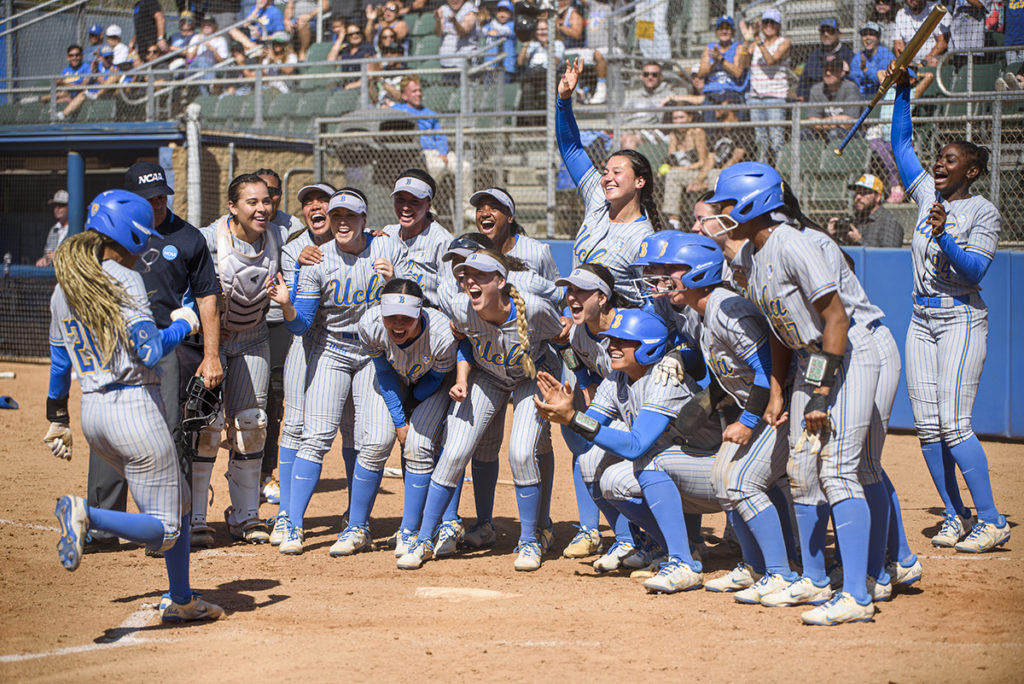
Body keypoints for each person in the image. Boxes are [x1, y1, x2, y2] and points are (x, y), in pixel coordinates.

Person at [709, 161, 880, 625]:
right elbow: (781, 330)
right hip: (809, 359)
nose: (723, 212)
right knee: (802, 469)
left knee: (839, 471)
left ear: (754, 202)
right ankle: (816, 579)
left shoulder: (793, 243)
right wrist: (781, 392)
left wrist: (822, 390)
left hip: (847, 355)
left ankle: (859, 595)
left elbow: (837, 319)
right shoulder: (755, 254)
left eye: (728, 203)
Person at [45, 189, 222, 622]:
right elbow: (147, 350)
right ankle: (88, 514)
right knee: (167, 528)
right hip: (133, 409)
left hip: (93, 413)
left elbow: (59, 362)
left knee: (178, 502)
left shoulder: (64, 286)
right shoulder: (124, 279)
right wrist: (182, 324)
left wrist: (56, 417)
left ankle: (181, 599)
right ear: (133, 235)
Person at [889, 63, 1009, 553]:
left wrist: (943, 235)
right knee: (927, 424)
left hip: (960, 314)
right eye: (939, 157)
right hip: (921, 318)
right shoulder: (924, 197)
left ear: (972, 170)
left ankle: (992, 518)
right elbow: (900, 147)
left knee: (955, 422)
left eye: (951, 159)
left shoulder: (982, 211)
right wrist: (902, 91)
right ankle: (955, 515)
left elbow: (974, 272)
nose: (940, 164)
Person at [652, 233, 798, 603]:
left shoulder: (724, 308)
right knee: (722, 477)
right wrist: (710, 400)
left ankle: (780, 572)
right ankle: (754, 566)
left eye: (675, 271)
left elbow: (768, 372)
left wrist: (747, 422)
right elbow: (730, 373)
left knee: (741, 483)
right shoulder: (701, 313)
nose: (667, 278)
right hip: (759, 407)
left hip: (783, 409)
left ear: (699, 273)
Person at [396, 250, 564, 572]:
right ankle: (425, 538)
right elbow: (461, 342)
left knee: (520, 453)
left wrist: (565, 385)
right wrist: (460, 377)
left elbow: (561, 339)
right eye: (466, 274)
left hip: (532, 377)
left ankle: (529, 539)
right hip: (487, 375)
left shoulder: (536, 309)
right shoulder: (461, 307)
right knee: (455, 450)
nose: (470, 280)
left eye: (480, 275)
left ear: (500, 281)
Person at [534, 307, 721, 593]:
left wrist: (573, 418)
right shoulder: (615, 380)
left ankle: (684, 562)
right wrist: (565, 416)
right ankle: (670, 547)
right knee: (602, 472)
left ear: (648, 347)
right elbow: (584, 441)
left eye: (623, 341)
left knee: (648, 462)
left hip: (716, 477)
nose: (612, 346)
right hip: (677, 470)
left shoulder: (665, 379)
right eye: (611, 340)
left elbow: (635, 446)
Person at [272, 188, 408, 556]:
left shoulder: (387, 250)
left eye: (351, 217)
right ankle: (294, 525)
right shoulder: (316, 259)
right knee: (315, 436)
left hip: (374, 352)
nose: (343, 223)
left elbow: (414, 306)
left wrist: (394, 282)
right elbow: (301, 326)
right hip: (331, 349)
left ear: (365, 220)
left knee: (377, 441)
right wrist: (286, 305)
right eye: (337, 217)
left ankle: (357, 527)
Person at [191, 173, 282, 547]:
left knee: (252, 424)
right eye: (252, 202)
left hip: (253, 338)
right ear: (233, 207)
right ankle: (195, 515)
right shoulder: (208, 239)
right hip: (211, 340)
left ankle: (245, 515)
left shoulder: (280, 238)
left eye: (267, 201)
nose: (262, 209)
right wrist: (205, 332)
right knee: (206, 427)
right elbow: (187, 291)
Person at [347, 278, 457, 557]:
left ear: (419, 313)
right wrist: (399, 419)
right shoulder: (370, 325)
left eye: (406, 318)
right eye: (391, 317)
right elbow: (384, 373)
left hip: (430, 388)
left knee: (419, 446)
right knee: (375, 442)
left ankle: (410, 532)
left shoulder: (442, 334)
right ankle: (356, 528)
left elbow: (434, 380)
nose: (398, 324)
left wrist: (412, 407)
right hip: (394, 381)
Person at [267, 181, 337, 546]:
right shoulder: (294, 248)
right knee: (294, 424)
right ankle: (286, 516)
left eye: (322, 199)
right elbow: (299, 309)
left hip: (347, 346)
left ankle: (355, 516)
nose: (315, 206)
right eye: (308, 202)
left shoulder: (357, 239)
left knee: (355, 432)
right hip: (304, 343)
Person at [556, 57, 659, 307]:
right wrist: (564, 101)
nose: (608, 178)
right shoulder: (597, 198)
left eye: (617, 172)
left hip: (617, 336)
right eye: (605, 171)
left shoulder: (644, 238)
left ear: (639, 182)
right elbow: (571, 149)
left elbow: (653, 305)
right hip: (580, 325)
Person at [550, 263, 635, 563]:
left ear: (602, 297)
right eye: (569, 290)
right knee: (583, 450)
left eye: (581, 290)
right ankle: (622, 538)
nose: (571, 297)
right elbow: (576, 360)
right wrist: (585, 384)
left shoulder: (629, 326)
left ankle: (645, 537)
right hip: (611, 403)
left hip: (642, 410)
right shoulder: (578, 333)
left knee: (609, 464)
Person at [389, 76, 471, 206]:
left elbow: (440, 136)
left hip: (441, 152)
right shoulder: (398, 110)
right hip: (422, 152)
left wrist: (443, 152)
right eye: (414, 91)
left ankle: (466, 208)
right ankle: (427, 205)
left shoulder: (429, 113)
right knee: (438, 166)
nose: (419, 94)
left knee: (465, 167)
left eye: (420, 90)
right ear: (405, 96)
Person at [382, 169, 454, 304]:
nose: (405, 207)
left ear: (428, 205)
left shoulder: (442, 241)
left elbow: (450, 296)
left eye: (414, 201)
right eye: (400, 200)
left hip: (428, 315)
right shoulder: (388, 233)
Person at [741, 9, 790, 165]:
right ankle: (762, 168)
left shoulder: (783, 42)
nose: (769, 26)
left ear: (778, 25)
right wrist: (748, 42)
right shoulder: (756, 44)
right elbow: (743, 65)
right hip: (756, 97)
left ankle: (779, 169)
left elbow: (771, 61)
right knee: (760, 139)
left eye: (772, 23)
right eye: (766, 22)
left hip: (775, 96)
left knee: (776, 139)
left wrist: (758, 40)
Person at [660, 106, 710, 229]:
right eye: (675, 118)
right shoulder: (673, 135)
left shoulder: (697, 132)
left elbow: (702, 162)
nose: (678, 121)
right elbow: (671, 159)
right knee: (665, 176)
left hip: (698, 173)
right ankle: (669, 221)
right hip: (680, 173)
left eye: (681, 117)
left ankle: (674, 221)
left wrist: (678, 170)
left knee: (673, 175)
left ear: (690, 118)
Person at [554, 0, 609, 104]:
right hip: (579, 49)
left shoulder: (573, 14)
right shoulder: (593, 4)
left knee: (576, 56)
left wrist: (560, 27)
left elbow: (577, 34)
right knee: (567, 57)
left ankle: (595, 89)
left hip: (602, 47)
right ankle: (578, 90)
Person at [697, 16, 750, 123]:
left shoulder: (738, 47)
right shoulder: (709, 48)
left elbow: (738, 72)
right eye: (721, 28)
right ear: (716, 32)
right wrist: (714, 64)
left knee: (730, 117)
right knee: (710, 121)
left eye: (727, 28)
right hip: (712, 94)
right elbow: (701, 73)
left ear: (733, 32)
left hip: (731, 93)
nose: (724, 31)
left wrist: (721, 59)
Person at [828, 174, 904, 247]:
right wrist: (832, 236)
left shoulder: (889, 223)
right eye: (857, 192)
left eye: (864, 193)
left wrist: (859, 240)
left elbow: (889, 257)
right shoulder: (855, 221)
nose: (858, 197)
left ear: (878, 197)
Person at [56, 46, 121, 121]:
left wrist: (98, 75)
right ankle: (63, 115)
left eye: (111, 57)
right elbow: (90, 80)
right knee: (81, 95)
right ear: (101, 58)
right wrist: (94, 72)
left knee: (114, 77)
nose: (109, 60)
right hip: (93, 91)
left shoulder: (115, 68)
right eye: (106, 58)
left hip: (107, 93)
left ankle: (97, 95)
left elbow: (105, 84)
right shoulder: (97, 67)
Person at [796, 18, 854, 101]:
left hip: (841, 100)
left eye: (830, 31)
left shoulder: (848, 55)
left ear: (838, 34)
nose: (826, 34)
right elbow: (804, 80)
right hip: (816, 100)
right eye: (823, 31)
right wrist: (801, 96)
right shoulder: (814, 55)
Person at [620, 60, 676, 147]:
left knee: (628, 140)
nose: (650, 77)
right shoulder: (632, 95)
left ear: (661, 77)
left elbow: (663, 123)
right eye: (646, 74)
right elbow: (623, 118)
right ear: (642, 76)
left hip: (651, 135)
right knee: (624, 138)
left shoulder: (668, 95)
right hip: (629, 132)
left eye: (654, 75)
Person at [805, 56, 861, 141]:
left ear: (842, 72)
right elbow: (813, 121)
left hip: (853, 134)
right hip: (823, 132)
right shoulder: (816, 89)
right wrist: (837, 121)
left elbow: (849, 123)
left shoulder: (850, 88)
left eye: (832, 70)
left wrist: (822, 122)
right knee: (804, 135)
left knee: (834, 133)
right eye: (825, 69)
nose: (828, 73)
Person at [893, 0, 950, 68]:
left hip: (933, 61)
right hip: (910, 63)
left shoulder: (937, 10)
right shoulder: (901, 14)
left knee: (933, 61)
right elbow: (898, 45)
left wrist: (924, 62)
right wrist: (905, 65)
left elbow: (943, 42)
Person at [436, 0, 478, 79]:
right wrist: (438, 21)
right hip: (446, 62)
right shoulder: (444, 9)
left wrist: (455, 22)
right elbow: (438, 33)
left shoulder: (470, 9)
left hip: (463, 63)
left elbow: (463, 33)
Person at [328, 22, 376, 89]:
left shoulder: (367, 47)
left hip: (362, 87)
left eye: (357, 33)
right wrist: (340, 38)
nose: (354, 36)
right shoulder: (345, 49)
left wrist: (353, 85)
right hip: (346, 85)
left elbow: (370, 74)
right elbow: (330, 61)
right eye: (351, 34)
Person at [481, 0, 517, 83]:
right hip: (489, 65)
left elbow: (502, 31)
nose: (502, 14)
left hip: (506, 67)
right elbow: (481, 32)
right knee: (489, 92)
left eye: (506, 11)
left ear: (511, 13)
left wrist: (489, 19)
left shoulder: (513, 25)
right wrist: (480, 20)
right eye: (499, 10)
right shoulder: (489, 25)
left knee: (504, 92)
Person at [36, 190, 69, 267]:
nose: (56, 209)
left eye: (61, 205)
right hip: (51, 275)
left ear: (70, 207)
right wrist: (43, 260)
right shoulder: (53, 230)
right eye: (54, 206)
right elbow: (47, 254)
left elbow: (81, 259)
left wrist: (58, 257)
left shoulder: (79, 228)